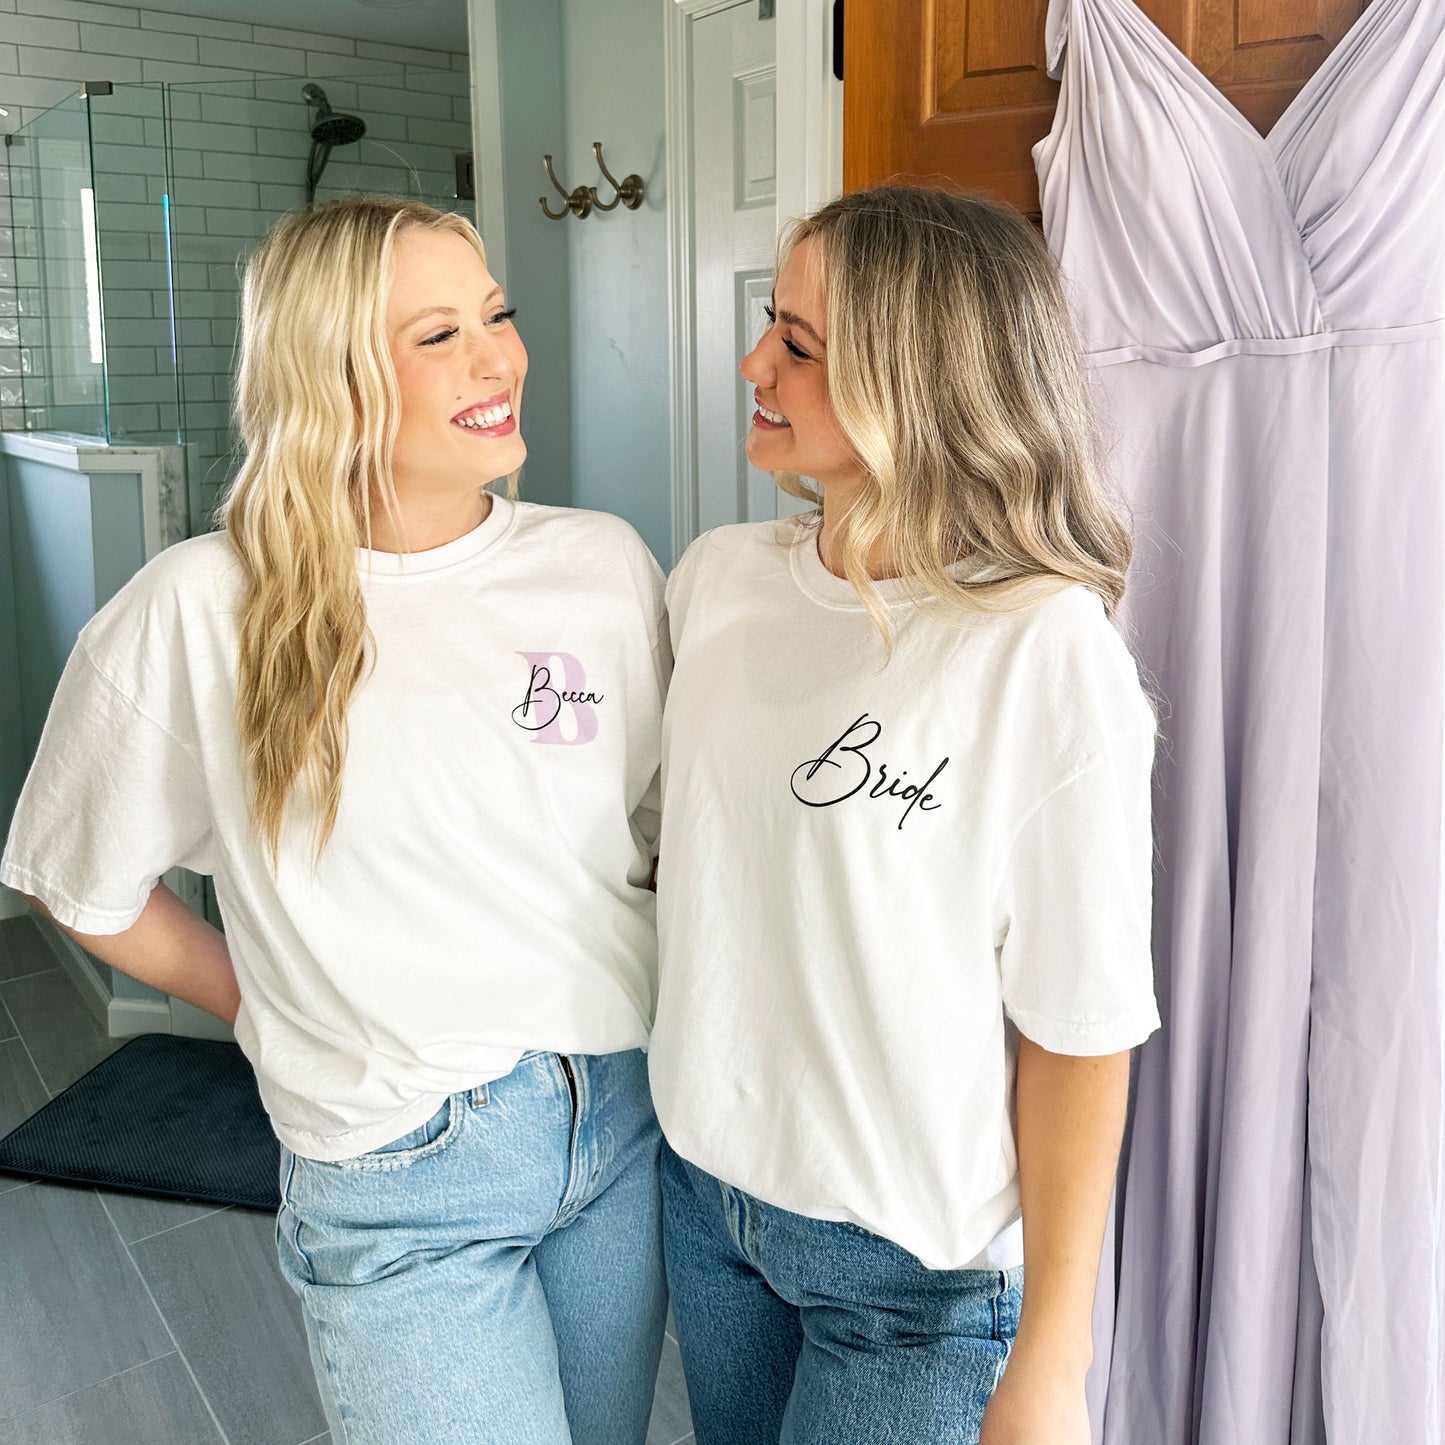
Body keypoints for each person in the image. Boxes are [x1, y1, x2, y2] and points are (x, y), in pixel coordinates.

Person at [1, 195, 670, 1445]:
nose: (497, 358)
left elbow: (646, 829)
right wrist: (252, 998)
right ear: (331, 377)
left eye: (497, 315)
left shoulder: (601, 567)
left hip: (616, 1125)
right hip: (396, 1163)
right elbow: (75, 877)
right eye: (437, 335)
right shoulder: (201, 607)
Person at [649, 185, 1161, 1445]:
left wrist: (1052, 1346)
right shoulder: (715, 583)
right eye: (771, 323)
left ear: (916, 385)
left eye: (799, 346)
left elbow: (1080, 1025)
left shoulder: (1041, 648)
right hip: (706, 1198)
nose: (751, 362)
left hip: (913, 1278)